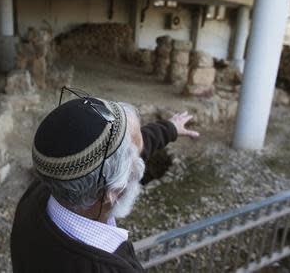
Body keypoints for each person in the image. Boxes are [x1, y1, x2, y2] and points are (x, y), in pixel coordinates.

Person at [11, 88, 199, 273]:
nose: (140, 159)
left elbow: (113, 154)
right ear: (113, 192)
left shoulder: (44, 189)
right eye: (135, 162)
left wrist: (169, 129)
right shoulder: (108, 268)